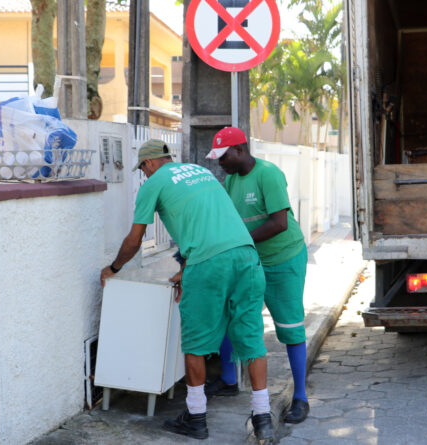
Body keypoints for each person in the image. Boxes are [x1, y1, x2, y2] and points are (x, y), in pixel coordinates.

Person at [99, 139, 274, 442]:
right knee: (251, 339)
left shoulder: (153, 185)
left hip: (209, 265)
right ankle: (263, 418)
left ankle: (195, 417)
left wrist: (113, 268)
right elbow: (211, 224)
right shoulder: (200, 171)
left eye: (142, 170)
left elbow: (135, 238)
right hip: (246, 257)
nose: (144, 175)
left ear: (149, 164)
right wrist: (186, 268)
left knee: (194, 342)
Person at [205, 127, 310, 424]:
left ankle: (301, 398)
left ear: (240, 150)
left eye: (223, 157)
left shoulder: (268, 174)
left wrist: (243, 242)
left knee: (290, 327)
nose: (219, 163)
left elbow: (279, 223)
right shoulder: (231, 180)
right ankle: (228, 380)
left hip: (283, 259)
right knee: (230, 316)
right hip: (251, 261)